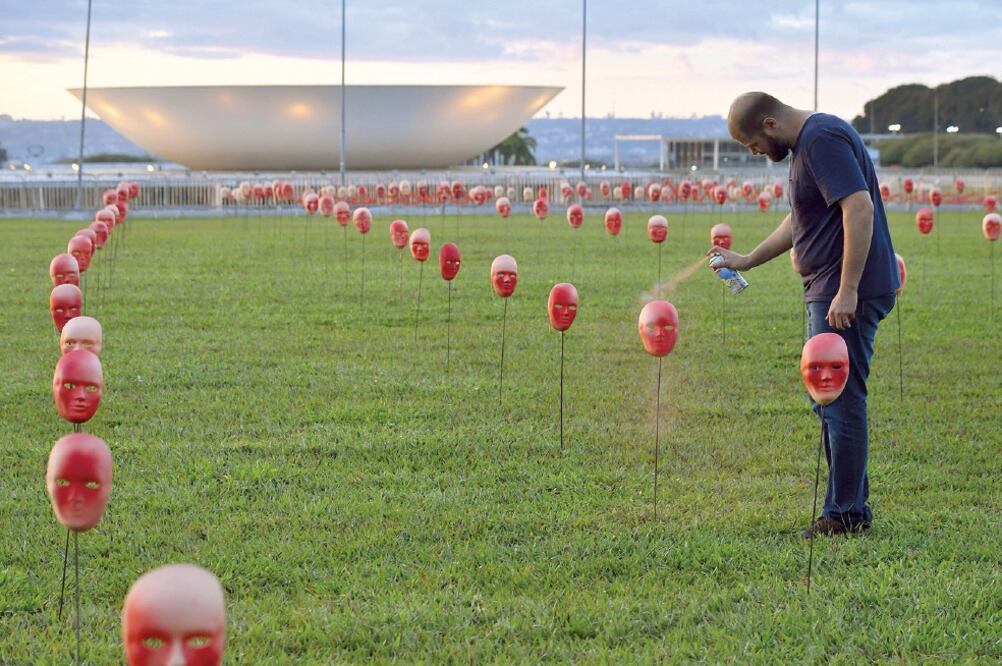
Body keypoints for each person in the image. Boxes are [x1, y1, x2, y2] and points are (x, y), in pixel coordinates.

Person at [708, 92, 899, 537]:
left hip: (844, 291)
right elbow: (801, 219)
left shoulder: (821, 139)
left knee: (841, 401)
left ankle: (846, 515)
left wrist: (848, 288)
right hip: (828, 288)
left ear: (770, 123)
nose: (755, 153)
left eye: (753, 144)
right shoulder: (806, 147)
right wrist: (748, 259)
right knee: (828, 401)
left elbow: (859, 207)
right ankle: (849, 506)